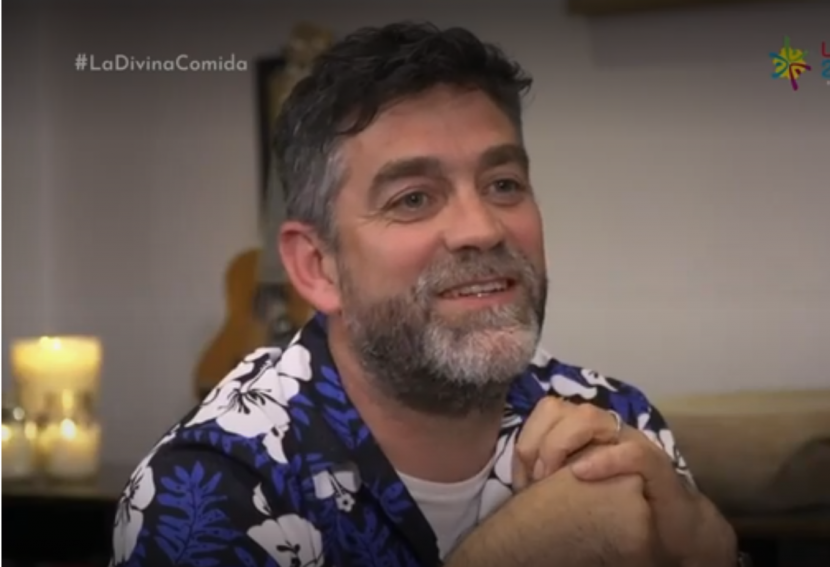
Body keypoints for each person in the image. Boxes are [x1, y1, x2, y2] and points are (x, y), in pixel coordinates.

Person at [110, 21, 741, 567]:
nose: (482, 229)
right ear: (317, 267)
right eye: (413, 198)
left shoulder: (613, 419)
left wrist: (701, 539)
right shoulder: (206, 486)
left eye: (503, 184)